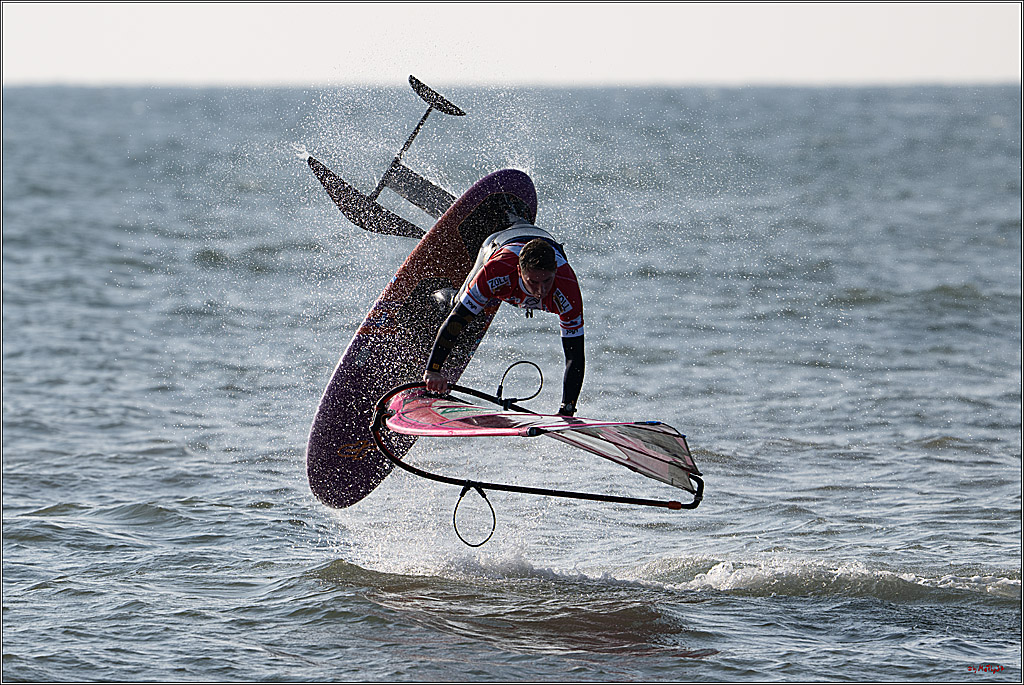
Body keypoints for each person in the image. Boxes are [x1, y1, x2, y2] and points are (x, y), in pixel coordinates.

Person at [422, 218, 585, 416]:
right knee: (463, 313)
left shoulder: (568, 290)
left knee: (475, 316)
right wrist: (433, 370)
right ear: (519, 271)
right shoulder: (496, 272)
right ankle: (431, 298)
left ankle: (513, 217)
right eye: (533, 282)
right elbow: (456, 322)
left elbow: (574, 355)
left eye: (547, 281)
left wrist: (567, 409)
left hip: (541, 241)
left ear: (555, 273)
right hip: (498, 244)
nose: (541, 290)